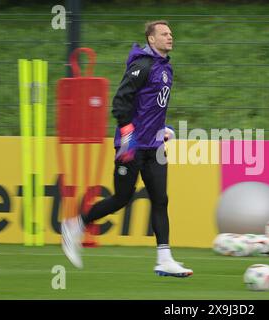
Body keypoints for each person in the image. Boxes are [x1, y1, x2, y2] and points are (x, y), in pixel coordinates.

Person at [61, 20, 193, 277]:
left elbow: (152, 106)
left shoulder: (166, 68)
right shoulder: (141, 66)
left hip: (153, 146)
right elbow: (120, 103)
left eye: (171, 33)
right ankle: (75, 224)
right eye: (164, 34)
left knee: (160, 200)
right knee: (122, 198)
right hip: (131, 146)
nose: (170, 37)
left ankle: (164, 259)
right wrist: (128, 136)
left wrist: (163, 128)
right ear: (151, 39)